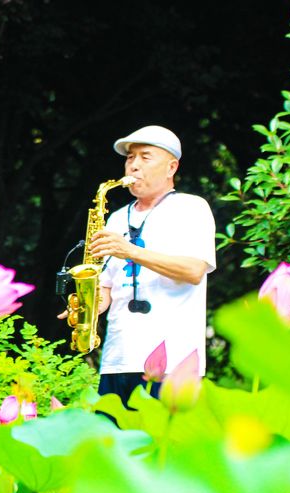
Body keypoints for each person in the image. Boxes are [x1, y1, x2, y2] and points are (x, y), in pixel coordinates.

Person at [62, 125, 216, 407]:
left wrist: (130, 251)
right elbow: (108, 286)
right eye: (130, 158)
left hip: (173, 363)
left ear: (171, 167)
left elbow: (194, 270)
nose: (133, 166)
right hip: (117, 360)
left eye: (145, 157)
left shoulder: (191, 208)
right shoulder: (117, 218)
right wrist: (88, 304)